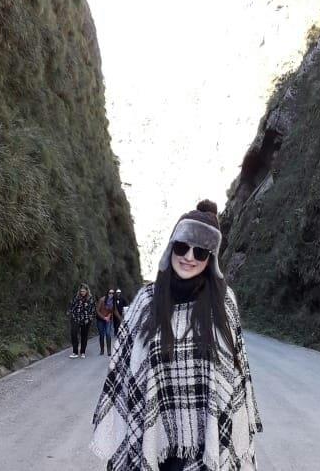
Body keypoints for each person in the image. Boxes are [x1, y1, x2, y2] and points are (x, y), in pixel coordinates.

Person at [91, 200, 262, 470]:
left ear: (211, 259)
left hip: (207, 447)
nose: (189, 257)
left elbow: (235, 376)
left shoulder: (223, 302)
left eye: (200, 252)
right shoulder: (146, 301)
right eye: (182, 247)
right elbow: (125, 371)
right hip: (153, 443)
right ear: (171, 247)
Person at [68, 283, 95, 359]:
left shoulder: (90, 299)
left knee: (84, 336)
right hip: (76, 318)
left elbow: (93, 309)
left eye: (83, 291)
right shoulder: (76, 297)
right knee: (73, 333)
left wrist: (90, 318)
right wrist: (70, 312)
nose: (82, 292)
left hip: (86, 320)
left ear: (87, 291)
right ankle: (75, 352)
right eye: (81, 291)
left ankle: (83, 352)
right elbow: (71, 305)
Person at [96, 289, 115, 356]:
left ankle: (109, 351)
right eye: (110, 293)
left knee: (108, 334)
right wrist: (104, 317)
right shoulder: (102, 300)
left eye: (113, 293)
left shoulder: (113, 301)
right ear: (107, 293)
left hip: (108, 320)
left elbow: (112, 311)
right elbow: (97, 311)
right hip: (100, 319)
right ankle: (102, 350)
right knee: (101, 335)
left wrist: (109, 316)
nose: (111, 294)